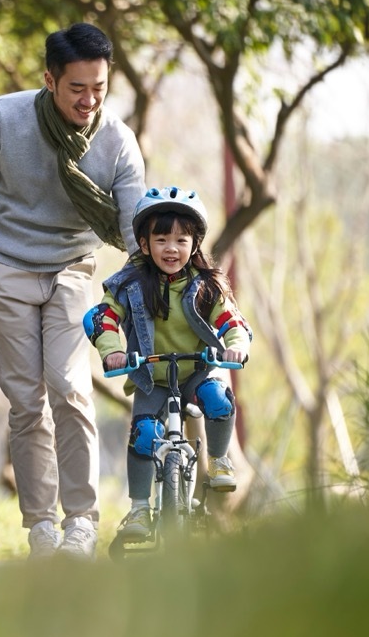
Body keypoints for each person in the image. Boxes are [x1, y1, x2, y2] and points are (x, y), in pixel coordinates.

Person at [0, 22, 146, 561]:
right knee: (27, 402)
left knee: (71, 388)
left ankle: (81, 520)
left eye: (99, 87)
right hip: (4, 269)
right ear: (49, 81)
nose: (89, 99)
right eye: (77, 87)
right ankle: (41, 526)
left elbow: (133, 225)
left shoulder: (116, 140)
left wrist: (152, 274)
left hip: (72, 270)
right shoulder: (4, 117)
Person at [83, 186, 252, 540]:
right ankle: (140, 510)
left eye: (181, 240)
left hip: (197, 370)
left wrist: (234, 346)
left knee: (219, 400)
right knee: (144, 435)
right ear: (144, 245)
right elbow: (101, 318)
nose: (171, 249)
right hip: (153, 377)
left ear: (195, 244)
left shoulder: (207, 285)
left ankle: (219, 460)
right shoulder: (129, 284)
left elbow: (233, 322)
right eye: (161, 239)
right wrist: (111, 350)